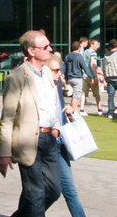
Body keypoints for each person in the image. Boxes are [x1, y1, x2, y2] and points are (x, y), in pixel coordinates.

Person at [0, 29, 63, 216]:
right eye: (45, 46)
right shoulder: (17, 77)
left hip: (50, 138)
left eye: (49, 45)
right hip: (27, 141)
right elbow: (7, 118)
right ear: (32, 51)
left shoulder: (49, 74)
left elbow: (52, 104)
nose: (50, 49)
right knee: (35, 195)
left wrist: (56, 126)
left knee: (53, 190)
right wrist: (4, 153)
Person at [46, 53, 86, 217]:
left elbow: (78, 88)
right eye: (56, 70)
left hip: (60, 142)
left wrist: (71, 107)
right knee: (48, 191)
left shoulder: (56, 87)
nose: (60, 73)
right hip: (46, 141)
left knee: (67, 190)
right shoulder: (42, 89)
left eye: (60, 70)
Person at [63, 40, 88, 115]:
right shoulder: (79, 56)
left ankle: (73, 109)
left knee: (74, 95)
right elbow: (85, 67)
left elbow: (66, 68)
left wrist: (66, 78)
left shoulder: (67, 56)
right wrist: (92, 76)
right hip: (77, 77)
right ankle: (73, 111)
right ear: (79, 48)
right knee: (76, 96)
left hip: (70, 77)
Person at [81, 38, 103, 116]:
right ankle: (99, 109)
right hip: (91, 76)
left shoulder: (85, 52)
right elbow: (92, 64)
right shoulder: (93, 52)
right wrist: (96, 75)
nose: (97, 46)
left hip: (84, 75)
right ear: (92, 44)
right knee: (96, 93)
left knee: (83, 93)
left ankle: (82, 109)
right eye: (96, 44)